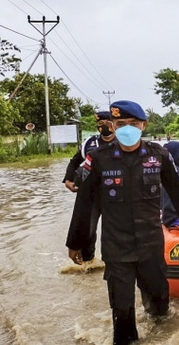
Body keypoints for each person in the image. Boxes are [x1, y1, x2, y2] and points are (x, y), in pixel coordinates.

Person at [65, 100, 179, 345]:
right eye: (120, 124)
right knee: (122, 313)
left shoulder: (158, 155)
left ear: (143, 125)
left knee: (160, 305)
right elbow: (85, 204)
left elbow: (176, 189)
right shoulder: (97, 159)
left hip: (151, 245)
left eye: (133, 123)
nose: (127, 128)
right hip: (117, 248)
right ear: (113, 126)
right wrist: (76, 242)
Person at [62, 110, 115, 264]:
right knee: (88, 229)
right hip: (91, 193)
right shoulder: (90, 144)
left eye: (107, 123)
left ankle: (114, 262)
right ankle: (88, 262)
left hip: (115, 193)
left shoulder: (123, 142)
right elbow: (74, 161)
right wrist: (68, 180)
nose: (103, 127)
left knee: (115, 229)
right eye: (100, 124)